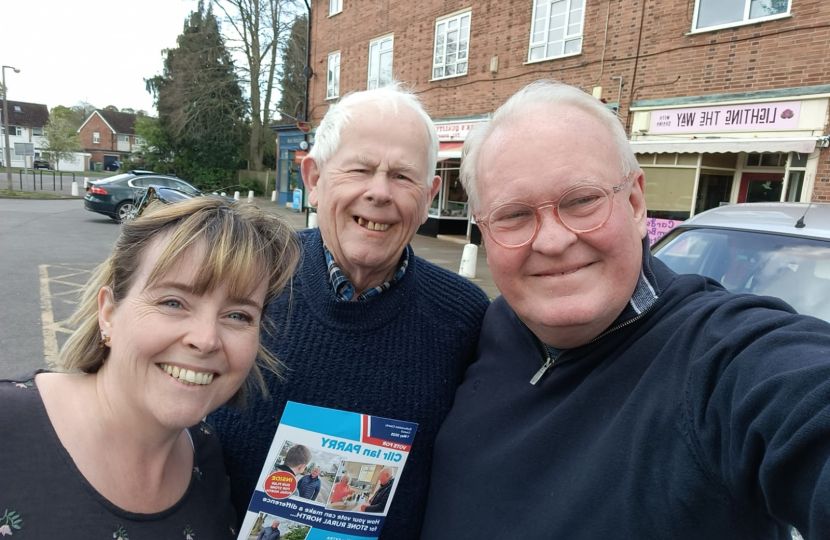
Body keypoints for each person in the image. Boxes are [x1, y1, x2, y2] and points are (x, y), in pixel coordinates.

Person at [421, 80, 830, 539]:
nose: (553, 241)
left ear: (635, 203)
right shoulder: (486, 326)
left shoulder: (719, 359)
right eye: (513, 215)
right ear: (484, 231)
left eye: (581, 201)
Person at [208, 83, 490, 539]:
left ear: (429, 194)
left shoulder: (465, 317)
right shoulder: (247, 280)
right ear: (314, 180)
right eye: (360, 169)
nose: (379, 192)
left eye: (402, 176)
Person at [0, 197, 299, 538]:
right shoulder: (7, 426)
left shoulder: (206, 455)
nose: (205, 340)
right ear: (109, 313)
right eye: (173, 302)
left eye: (237, 315)